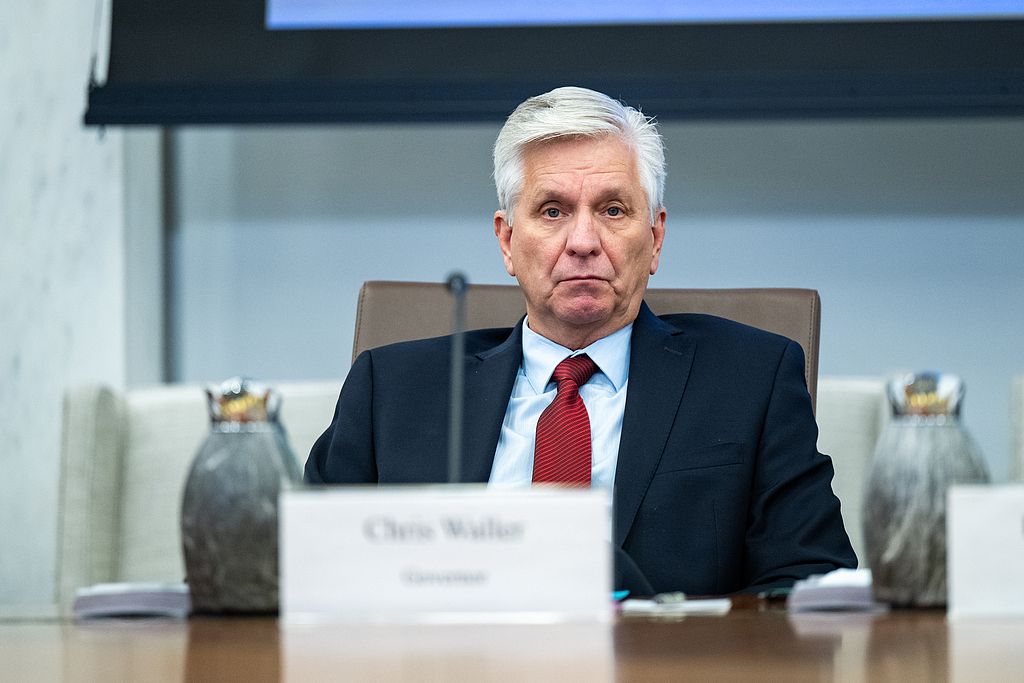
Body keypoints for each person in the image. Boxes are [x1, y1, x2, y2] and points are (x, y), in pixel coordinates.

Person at [306, 86, 857, 595]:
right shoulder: (392, 389)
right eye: (553, 211)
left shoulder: (751, 379)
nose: (584, 241)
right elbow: (306, 570)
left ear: (655, 237)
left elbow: (811, 584)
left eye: (613, 210)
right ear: (507, 240)